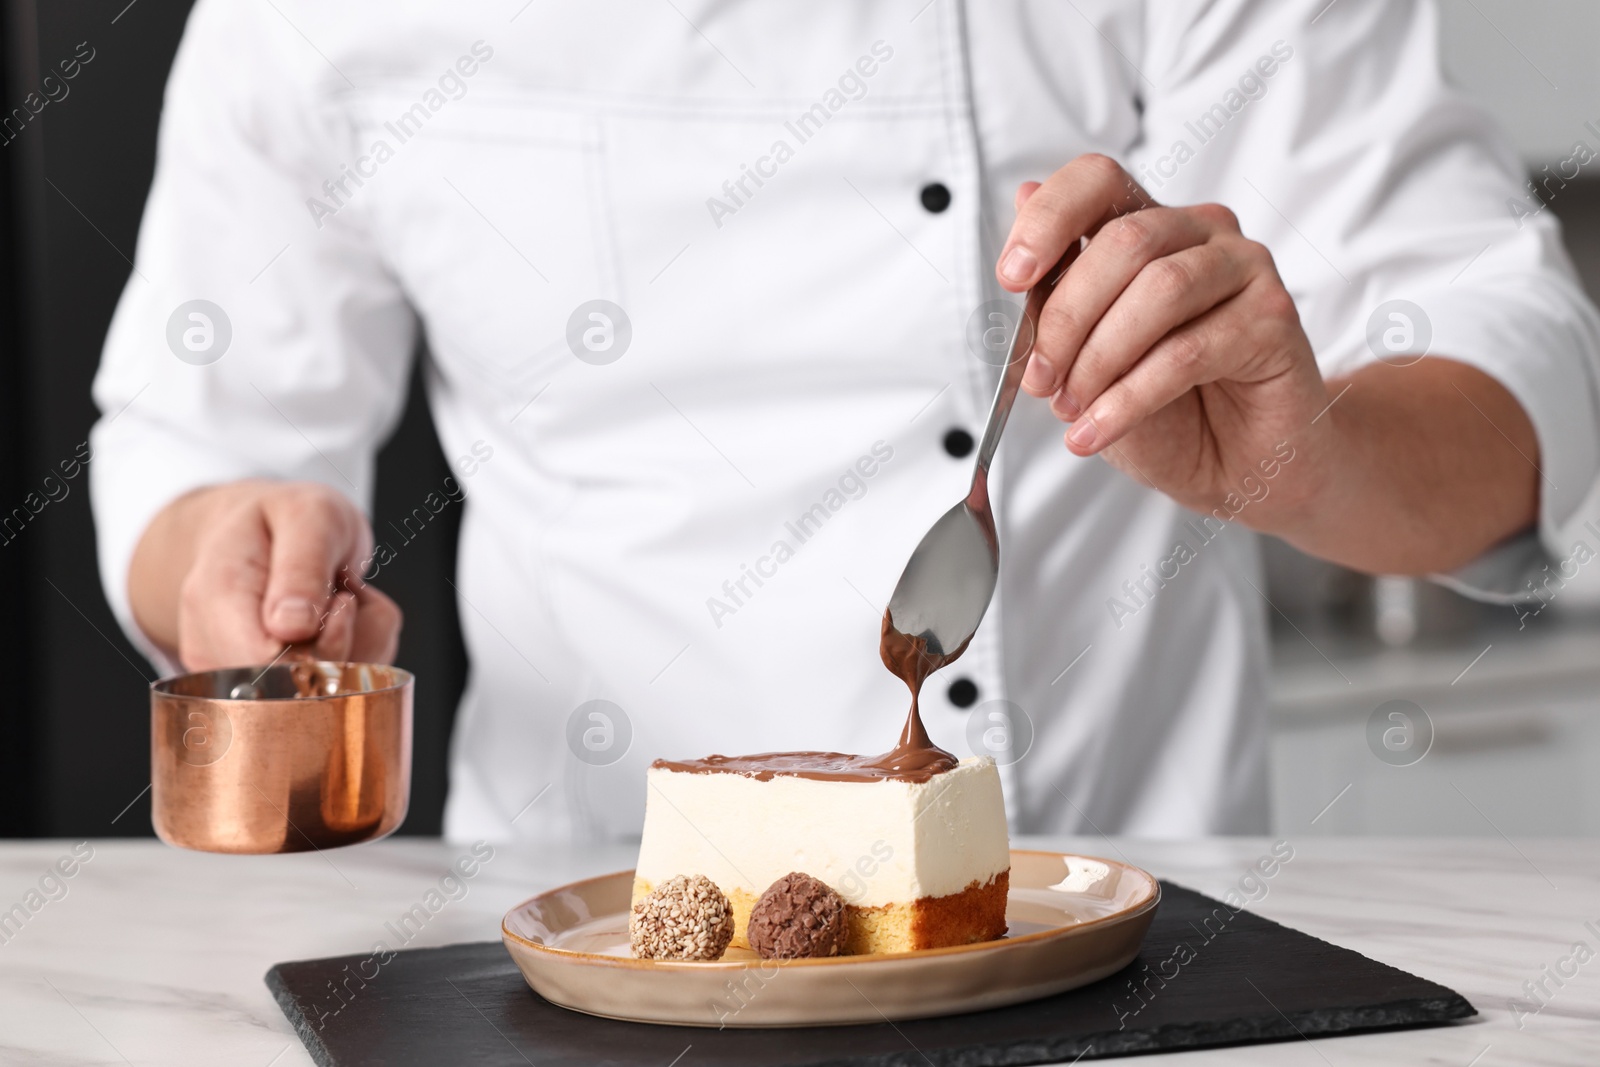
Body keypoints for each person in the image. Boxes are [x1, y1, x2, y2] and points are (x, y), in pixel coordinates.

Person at [91, 0, 1600, 841]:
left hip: (1130, 938)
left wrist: (1306, 458)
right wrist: (237, 559)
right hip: (577, 944)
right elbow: (195, 437)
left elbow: (1501, 363)